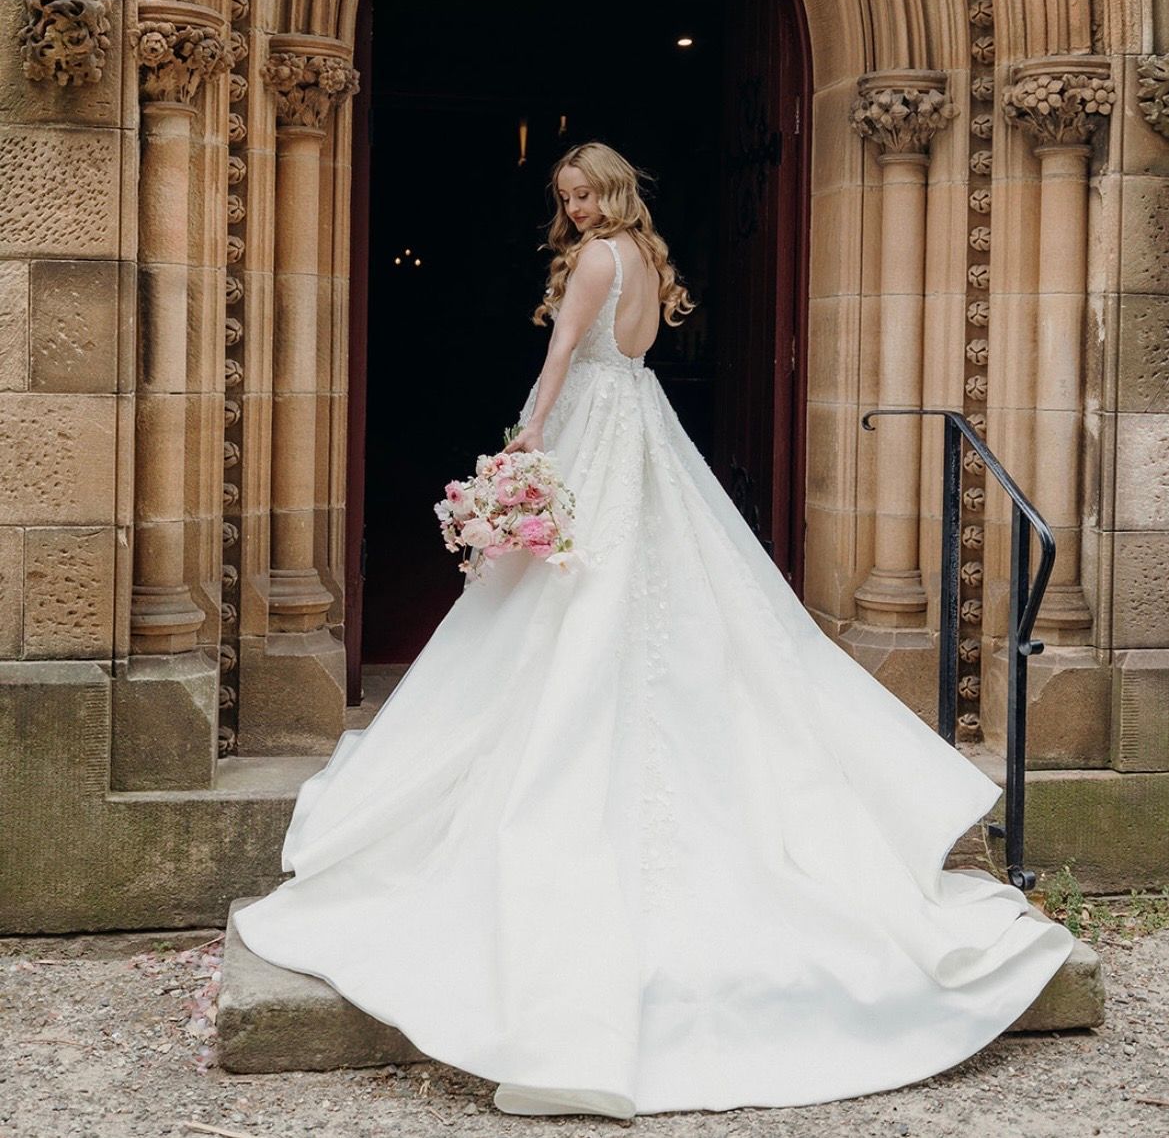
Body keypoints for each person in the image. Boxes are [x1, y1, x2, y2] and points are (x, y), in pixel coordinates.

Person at [233, 139, 1076, 1118]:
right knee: (643, 582)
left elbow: (560, 355)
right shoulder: (652, 256)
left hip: (593, 419)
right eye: (566, 197)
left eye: (585, 192)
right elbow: (626, 352)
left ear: (613, 187)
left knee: (566, 592)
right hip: (639, 419)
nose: (578, 209)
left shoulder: (596, 262)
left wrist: (525, 440)